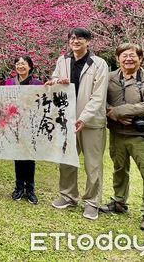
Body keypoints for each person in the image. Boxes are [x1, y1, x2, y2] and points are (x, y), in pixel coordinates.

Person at [46, 28, 108, 220]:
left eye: (80, 38)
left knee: (93, 164)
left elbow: (99, 96)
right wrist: (57, 81)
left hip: (90, 123)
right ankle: (68, 195)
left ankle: (91, 202)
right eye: (72, 38)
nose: (75, 41)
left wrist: (84, 118)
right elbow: (53, 81)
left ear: (88, 42)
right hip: (67, 120)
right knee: (66, 160)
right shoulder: (63, 61)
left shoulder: (99, 64)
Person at [101, 43, 144, 232]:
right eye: (124, 55)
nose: (128, 59)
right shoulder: (109, 78)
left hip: (142, 136)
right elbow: (98, 99)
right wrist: (109, 112)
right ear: (118, 58)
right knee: (119, 170)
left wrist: (119, 111)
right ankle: (119, 202)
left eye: (132, 56)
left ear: (140, 59)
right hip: (117, 134)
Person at [5, 55, 43, 205]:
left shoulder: (38, 83)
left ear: (30, 66)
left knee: (30, 158)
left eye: (24, 64)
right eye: (18, 64)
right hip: (15, 126)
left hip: (31, 125)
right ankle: (19, 187)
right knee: (18, 157)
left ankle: (30, 189)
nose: (20, 66)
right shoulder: (9, 83)